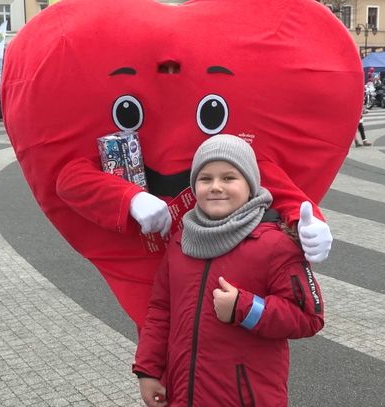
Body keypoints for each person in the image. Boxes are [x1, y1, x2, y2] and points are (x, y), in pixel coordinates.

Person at [133, 134, 324, 407]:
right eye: (205, 178)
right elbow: (161, 310)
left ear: (250, 184)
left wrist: (245, 308)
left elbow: (309, 317)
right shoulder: (181, 240)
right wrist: (148, 369)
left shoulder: (276, 244)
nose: (216, 187)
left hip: (246, 398)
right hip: (183, 394)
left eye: (228, 178)